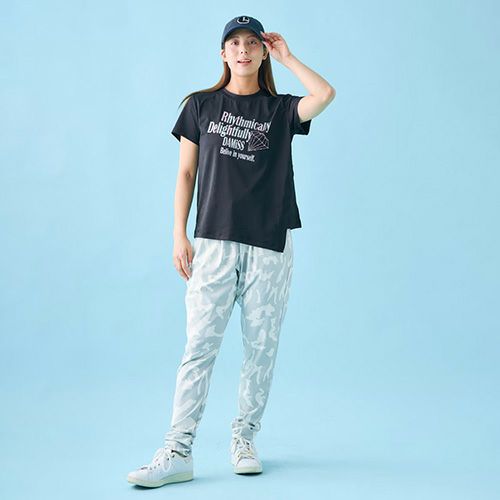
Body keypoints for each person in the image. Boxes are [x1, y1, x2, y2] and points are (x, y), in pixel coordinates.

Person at [127, 15, 335, 488]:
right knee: (199, 346)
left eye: (252, 43)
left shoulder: (281, 110)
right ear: (223, 53)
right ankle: (177, 450)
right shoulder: (200, 106)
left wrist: (288, 58)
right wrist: (178, 234)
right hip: (213, 241)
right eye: (234, 43)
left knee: (261, 348)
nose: (243, 50)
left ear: (262, 52)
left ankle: (244, 439)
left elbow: (324, 94)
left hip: (270, 245)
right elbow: (186, 174)